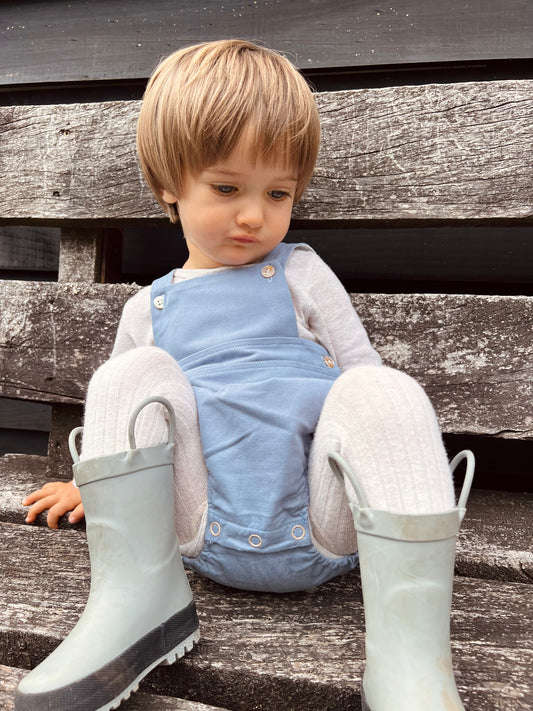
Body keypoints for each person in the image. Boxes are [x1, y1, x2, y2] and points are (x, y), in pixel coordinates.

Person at [16, 39, 474, 711]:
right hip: (199, 529)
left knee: (385, 390)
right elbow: (129, 428)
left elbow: (363, 386)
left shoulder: (300, 272)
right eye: (227, 188)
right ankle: (139, 604)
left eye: (277, 192)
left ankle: (410, 663)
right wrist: (95, 487)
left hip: (322, 525)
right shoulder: (147, 309)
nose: (255, 214)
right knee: (129, 375)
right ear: (170, 186)